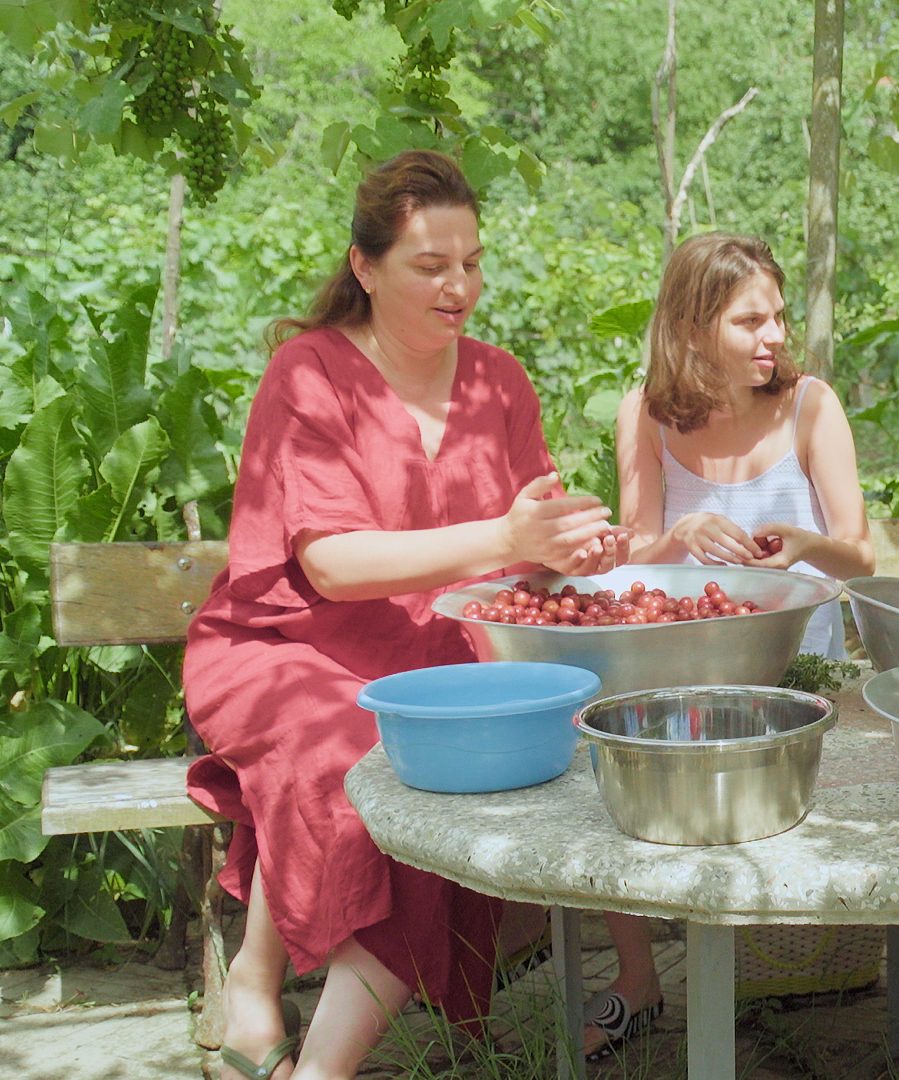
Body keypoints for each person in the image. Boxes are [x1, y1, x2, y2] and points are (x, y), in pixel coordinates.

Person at [184, 150, 629, 1080]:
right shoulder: (308, 375)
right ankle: (291, 1030)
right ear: (364, 265)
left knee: (444, 757)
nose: (457, 285)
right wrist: (505, 533)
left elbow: (518, 552)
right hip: (283, 648)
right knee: (371, 753)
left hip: (431, 652)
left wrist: (566, 551)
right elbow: (334, 566)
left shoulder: (500, 382)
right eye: (430, 265)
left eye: (470, 262)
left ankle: (268, 1008)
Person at [584, 232, 876, 1060]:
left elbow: (859, 551)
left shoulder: (810, 405)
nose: (774, 335)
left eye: (778, 317)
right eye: (751, 320)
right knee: (607, 773)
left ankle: (797, 971)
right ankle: (639, 981)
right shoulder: (643, 412)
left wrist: (803, 542)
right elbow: (633, 547)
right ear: (691, 326)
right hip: (685, 660)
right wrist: (679, 531)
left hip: (800, 666)